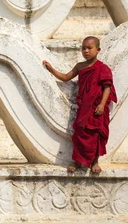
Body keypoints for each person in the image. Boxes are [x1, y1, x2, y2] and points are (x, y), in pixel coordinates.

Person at [42, 36, 117, 174]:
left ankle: (95, 162)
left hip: (96, 108)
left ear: (98, 49)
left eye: (90, 48)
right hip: (84, 107)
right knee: (79, 133)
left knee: (96, 134)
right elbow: (65, 77)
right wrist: (50, 69)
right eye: (83, 48)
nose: (86, 51)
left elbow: (107, 87)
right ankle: (77, 161)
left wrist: (101, 105)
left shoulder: (103, 68)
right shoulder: (80, 66)